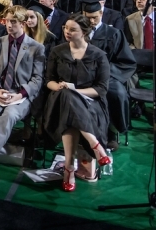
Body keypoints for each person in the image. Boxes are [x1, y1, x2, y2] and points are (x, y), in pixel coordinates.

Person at [0, 6, 45, 186]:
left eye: (13, 22)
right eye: (7, 21)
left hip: (20, 95)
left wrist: (19, 94)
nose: (9, 25)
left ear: (22, 23)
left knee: (9, 115)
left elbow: (37, 79)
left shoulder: (36, 47)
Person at [43, 14, 111, 192]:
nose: (67, 32)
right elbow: (48, 80)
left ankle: (69, 169)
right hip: (59, 98)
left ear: (84, 32)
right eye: (66, 28)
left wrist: (75, 92)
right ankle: (95, 144)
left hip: (91, 102)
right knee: (66, 97)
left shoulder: (98, 55)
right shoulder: (57, 51)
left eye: (73, 29)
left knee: (70, 104)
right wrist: (58, 87)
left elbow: (101, 89)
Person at [79, 0, 136, 147]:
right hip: (79, 75)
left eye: (95, 18)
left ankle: (112, 132)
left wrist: (104, 72)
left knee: (117, 93)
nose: (91, 21)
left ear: (101, 14)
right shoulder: (77, 32)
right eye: (88, 17)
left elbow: (126, 61)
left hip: (107, 76)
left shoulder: (114, 34)